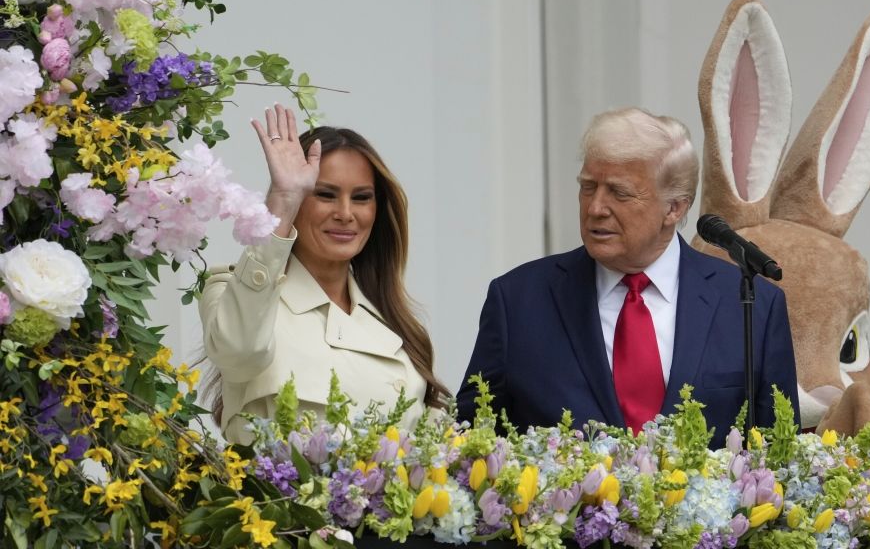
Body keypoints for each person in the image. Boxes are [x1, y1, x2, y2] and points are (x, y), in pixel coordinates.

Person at [455, 107, 799, 448]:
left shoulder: (751, 305)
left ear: (674, 207)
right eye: (588, 187)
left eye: (619, 193)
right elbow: (469, 446)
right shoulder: (518, 302)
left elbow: (780, 457)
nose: (595, 208)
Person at [200, 104, 449, 443]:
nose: (345, 213)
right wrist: (282, 199)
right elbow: (239, 353)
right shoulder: (237, 295)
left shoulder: (393, 321)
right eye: (326, 195)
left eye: (361, 198)